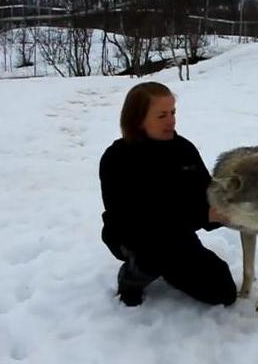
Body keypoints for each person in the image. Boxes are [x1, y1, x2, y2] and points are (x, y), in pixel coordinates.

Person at [99, 82, 236, 307]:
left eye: (173, 112)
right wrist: (201, 216)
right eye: (162, 115)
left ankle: (170, 264)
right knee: (152, 255)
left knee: (222, 292)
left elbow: (206, 193)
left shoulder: (184, 150)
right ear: (138, 118)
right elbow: (135, 218)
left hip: (176, 234)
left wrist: (224, 210)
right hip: (135, 236)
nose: (171, 121)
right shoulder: (117, 158)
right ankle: (132, 276)